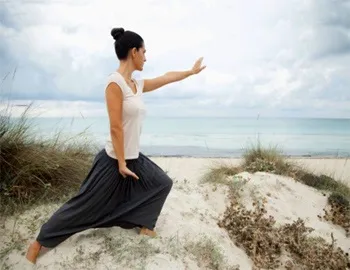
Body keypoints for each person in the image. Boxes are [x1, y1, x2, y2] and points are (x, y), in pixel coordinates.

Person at [25, 27, 206, 264]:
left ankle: (144, 226)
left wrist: (190, 72)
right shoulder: (115, 83)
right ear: (134, 52)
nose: (146, 57)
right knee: (83, 205)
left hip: (132, 158)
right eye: (144, 51)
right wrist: (121, 162)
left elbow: (164, 78)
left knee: (162, 183)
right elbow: (115, 128)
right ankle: (39, 243)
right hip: (113, 161)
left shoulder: (135, 84)